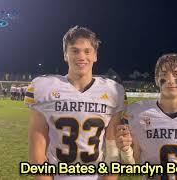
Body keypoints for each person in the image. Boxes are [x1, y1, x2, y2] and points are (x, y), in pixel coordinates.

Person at [24, 26, 125, 180]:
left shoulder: (113, 91)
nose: (81, 56)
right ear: (65, 55)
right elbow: (37, 150)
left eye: (87, 51)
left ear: (95, 55)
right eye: (75, 50)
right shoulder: (43, 88)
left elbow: (112, 153)